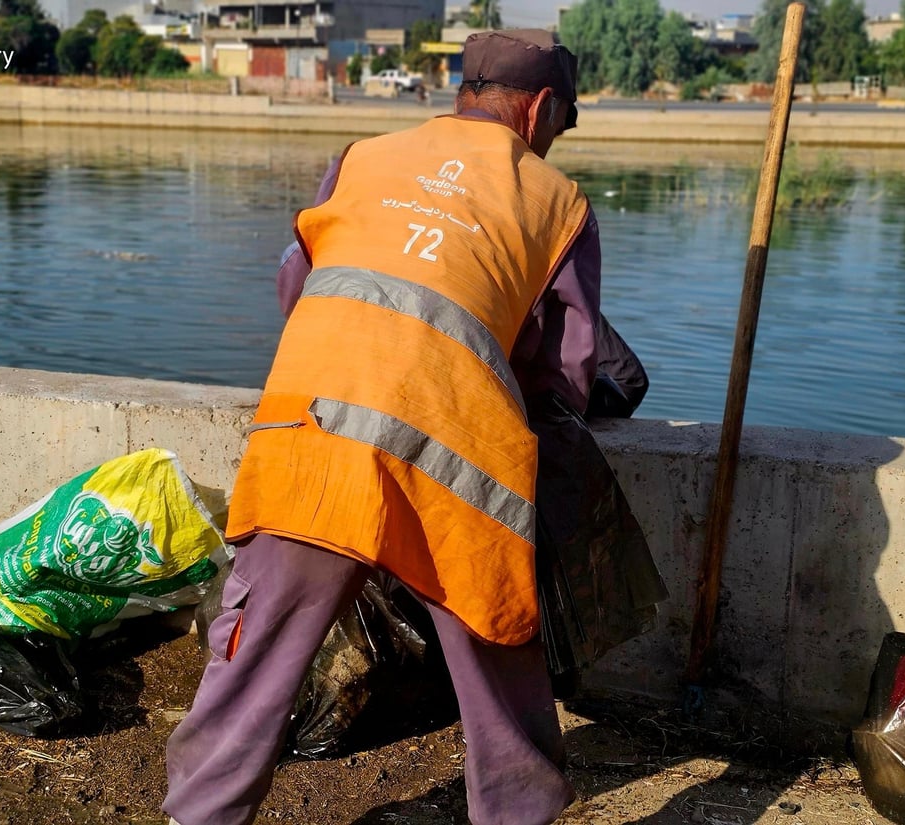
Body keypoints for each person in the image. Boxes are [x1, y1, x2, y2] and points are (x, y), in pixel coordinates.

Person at [164, 28, 598, 825]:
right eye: (564, 123)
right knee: (501, 663)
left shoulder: (363, 156)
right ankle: (517, 811)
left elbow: (299, 285)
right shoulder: (558, 202)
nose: (556, 142)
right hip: (455, 464)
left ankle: (199, 813)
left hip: (314, 433)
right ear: (540, 109)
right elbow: (565, 374)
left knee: (250, 660)